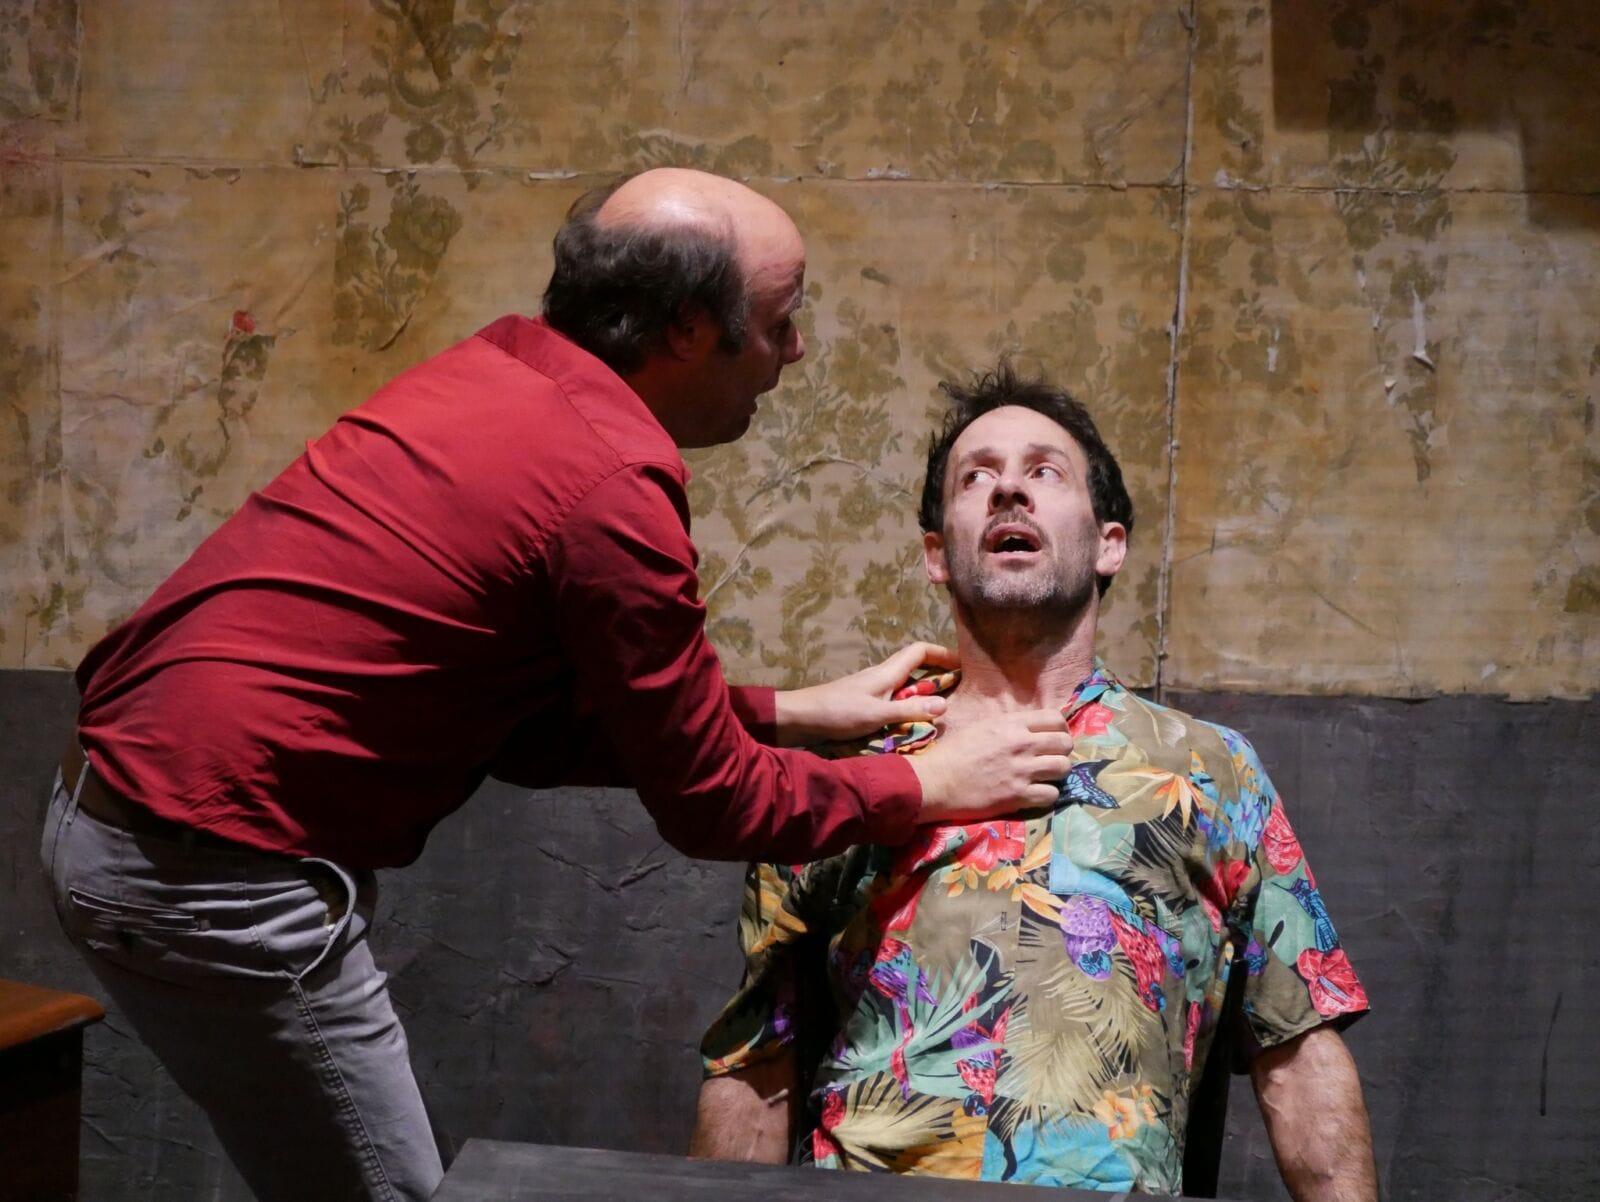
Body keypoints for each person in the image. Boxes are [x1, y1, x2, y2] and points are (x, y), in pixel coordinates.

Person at [40, 170, 1074, 1202]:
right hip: (207, 865)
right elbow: (714, 802)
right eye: (777, 322)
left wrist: (789, 711)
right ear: (685, 328)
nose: (794, 351)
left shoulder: (509, 365)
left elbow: (528, 729)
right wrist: (930, 782)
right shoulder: (610, 482)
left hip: (120, 817)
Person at [692, 364, 1377, 1200]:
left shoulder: (1211, 771)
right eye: (975, 477)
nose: (1008, 490)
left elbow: (1298, 1053)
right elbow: (758, 1062)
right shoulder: (840, 770)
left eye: (1044, 472)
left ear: (1109, 543)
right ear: (936, 555)